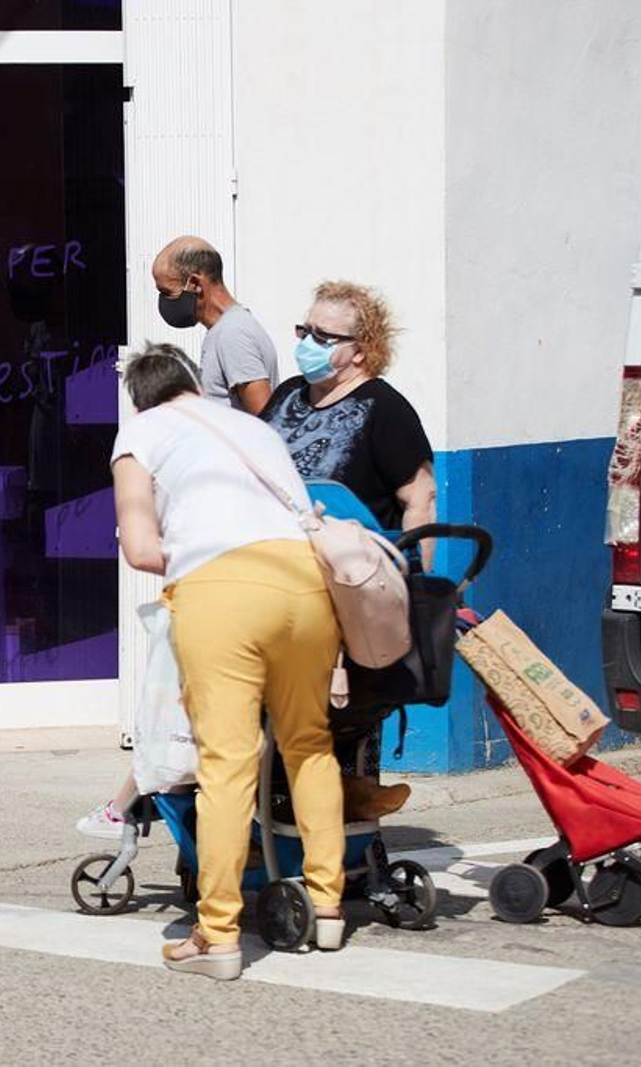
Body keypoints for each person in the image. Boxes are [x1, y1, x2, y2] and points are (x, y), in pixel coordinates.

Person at [112, 343, 346, 979]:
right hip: (305, 585)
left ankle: (217, 937)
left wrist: (195, 552)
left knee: (227, 764)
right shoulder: (252, 426)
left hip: (222, 595)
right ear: (192, 382)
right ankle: (327, 907)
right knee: (309, 744)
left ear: (138, 398)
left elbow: (139, 548)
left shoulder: (140, 432)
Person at [261, 280, 436, 815]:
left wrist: (412, 588)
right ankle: (273, 834)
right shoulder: (288, 394)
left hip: (352, 591)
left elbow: (420, 498)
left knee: (346, 719)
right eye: (303, 329)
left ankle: (352, 852)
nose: (307, 341)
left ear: (360, 349)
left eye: (322, 334)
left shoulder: (384, 409)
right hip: (279, 583)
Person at [151, 236, 278, 414]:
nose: (164, 301)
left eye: (167, 292)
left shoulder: (233, 334)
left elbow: (265, 420)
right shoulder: (225, 330)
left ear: (195, 284)